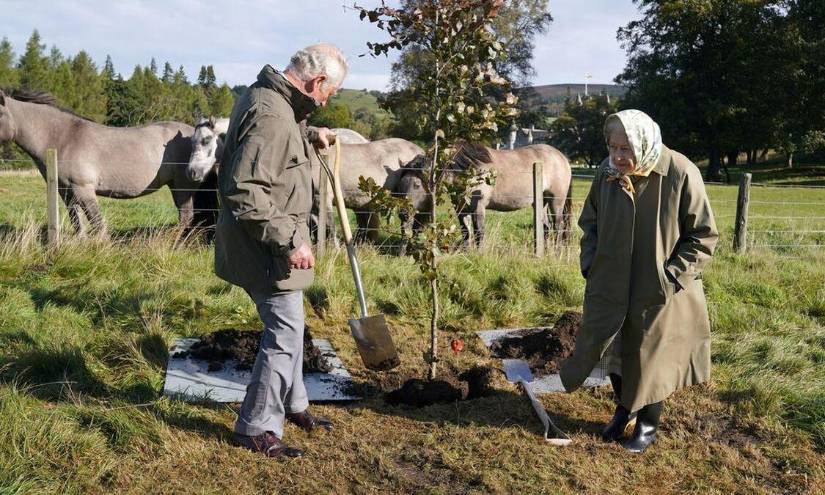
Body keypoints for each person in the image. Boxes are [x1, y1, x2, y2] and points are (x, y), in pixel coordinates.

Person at [214, 43, 346, 458]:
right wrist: (289, 241)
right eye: (329, 93)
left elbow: (276, 144)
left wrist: (309, 135)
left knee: (292, 324)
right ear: (317, 81)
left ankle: (294, 403)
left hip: (266, 241)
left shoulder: (270, 99)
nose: (326, 102)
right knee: (285, 332)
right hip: (267, 246)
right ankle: (256, 427)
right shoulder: (272, 115)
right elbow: (245, 189)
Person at [560, 109, 719, 453]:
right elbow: (590, 224)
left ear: (644, 143)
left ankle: (648, 423)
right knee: (613, 348)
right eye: (612, 147)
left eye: (626, 149)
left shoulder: (680, 172)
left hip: (658, 289)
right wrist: (591, 263)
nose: (617, 157)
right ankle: (624, 410)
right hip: (610, 283)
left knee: (650, 355)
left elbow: (703, 235)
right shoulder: (607, 173)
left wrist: (670, 276)